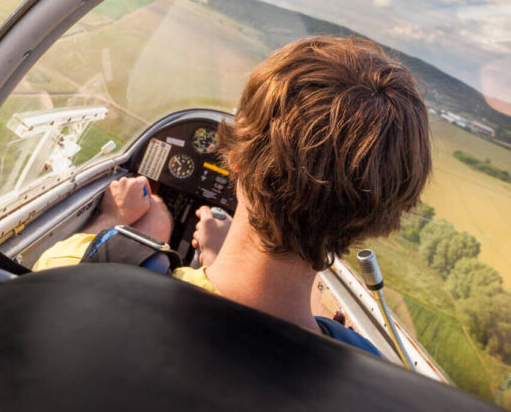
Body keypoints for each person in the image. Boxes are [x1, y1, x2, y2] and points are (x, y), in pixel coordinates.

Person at [33, 36, 432, 354]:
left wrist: (113, 220)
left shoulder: (86, 266)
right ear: (376, 218)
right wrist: (215, 256)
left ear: (236, 157)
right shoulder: (366, 371)